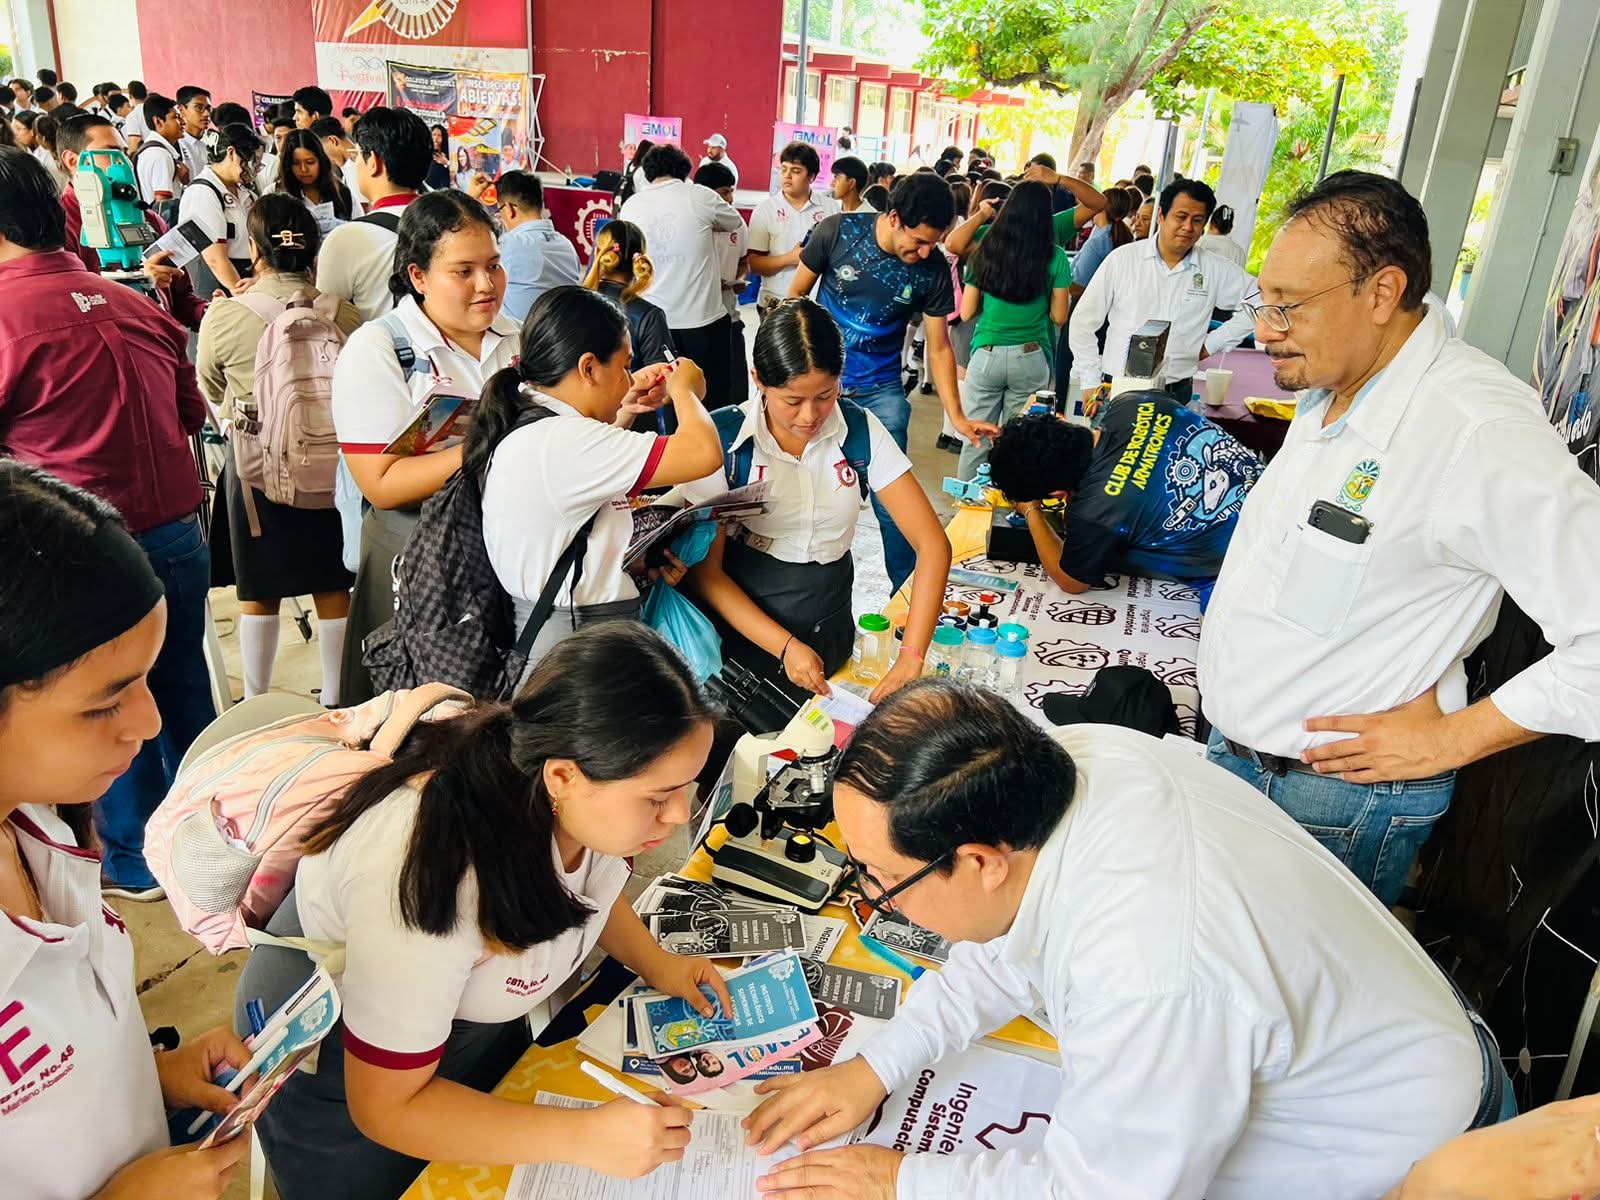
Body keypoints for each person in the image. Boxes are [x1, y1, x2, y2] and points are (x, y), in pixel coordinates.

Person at [743, 681, 1511, 1200]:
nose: (874, 902)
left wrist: (901, 1181)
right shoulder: (1078, 761)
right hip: (1391, 1037)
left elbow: (1104, 1193)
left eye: (881, 878)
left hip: (1415, 1163)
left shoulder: (1153, 973)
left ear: (978, 859)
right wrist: (876, 1066)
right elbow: (1002, 944)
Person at [1199, 169, 1600, 905]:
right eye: (1264, 302)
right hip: (1242, 762)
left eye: (1288, 308)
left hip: (1329, 807)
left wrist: (1453, 738)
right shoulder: (1338, 383)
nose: (1264, 330)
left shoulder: (1477, 430)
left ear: (1381, 294)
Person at [240, 624, 732, 1200]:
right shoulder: (433, 875)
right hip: (346, 1076)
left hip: (457, 1029)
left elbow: (587, 889)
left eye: (687, 788)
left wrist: (656, 962)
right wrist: (584, 1138)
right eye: (657, 797)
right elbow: (387, 1108)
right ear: (564, 777)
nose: (679, 816)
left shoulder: (576, 806)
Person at [0, 462, 255, 1200]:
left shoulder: (39, 825)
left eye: (146, 679)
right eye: (101, 705)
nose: (147, 726)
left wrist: (148, 1077)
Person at [0, 147, 215, 898]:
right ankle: (214, 840)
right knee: (184, 692)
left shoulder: (3, 319)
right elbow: (192, 415)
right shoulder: (131, 302)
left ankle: (131, 857)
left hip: (80, 567)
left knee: (100, 708)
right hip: (177, 537)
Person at [679, 298, 950, 703]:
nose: (810, 415)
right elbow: (707, 574)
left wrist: (911, 657)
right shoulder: (724, 441)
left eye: (825, 395)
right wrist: (785, 645)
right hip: (742, 632)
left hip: (830, 619)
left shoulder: (858, 429)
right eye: (792, 401)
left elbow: (933, 546)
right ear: (758, 380)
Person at [332, 189, 519, 704]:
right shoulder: (378, 350)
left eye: (494, 267)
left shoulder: (517, 341)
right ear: (418, 277)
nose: (487, 285)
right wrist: (490, 441)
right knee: (416, 711)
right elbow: (383, 483)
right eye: (464, 272)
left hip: (501, 550)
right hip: (413, 558)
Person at [478, 286, 723, 669]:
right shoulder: (562, 441)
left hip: (566, 630)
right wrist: (685, 390)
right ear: (588, 367)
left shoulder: (534, 422)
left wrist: (623, 410)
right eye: (624, 366)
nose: (629, 380)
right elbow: (703, 453)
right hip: (578, 642)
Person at [789, 173, 997, 591]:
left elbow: (938, 347)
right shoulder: (836, 233)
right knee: (803, 491)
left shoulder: (933, 270)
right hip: (819, 388)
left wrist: (956, 415)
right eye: (918, 241)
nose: (924, 252)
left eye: (933, 242)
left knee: (893, 501)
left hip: (881, 391)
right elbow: (795, 302)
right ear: (894, 217)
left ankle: (907, 593)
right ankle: (801, 587)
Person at [196, 194, 359, 702]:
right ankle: (336, 696)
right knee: (334, 585)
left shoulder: (225, 316)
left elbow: (211, 386)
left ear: (254, 249)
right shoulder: (347, 315)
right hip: (332, 468)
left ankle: (258, 700)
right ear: (313, 248)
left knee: (259, 591)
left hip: (256, 471)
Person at [988, 400, 1260, 604]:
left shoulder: (1096, 511)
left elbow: (1071, 581)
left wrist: (1031, 510)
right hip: (1275, 495)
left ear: (1058, 493)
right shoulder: (1131, 402)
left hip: (1250, 571)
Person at [1069, 178, 1253, 409]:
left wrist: (1214, 342)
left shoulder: (1215, 269)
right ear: (1161, 216)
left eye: (1197, 221)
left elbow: (1262, 301)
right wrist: (1089, 380)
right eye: (1181, 217)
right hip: (1120, 389)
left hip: (1176, 392)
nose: (1188, 227)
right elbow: (1082, 322)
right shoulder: (1123, 260)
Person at [947, 181, 1073, 478]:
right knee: (1016, 442)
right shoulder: (1055, 256)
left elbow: (965, 311)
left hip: (986, 354)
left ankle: (968, 514)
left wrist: (980, 214)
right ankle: (1005, 516)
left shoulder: (986, 250)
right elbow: (1058, 316)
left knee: (976, 438)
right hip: (1030, 357)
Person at [619, 142, 745, 409]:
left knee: (656, 397)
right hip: (702, 320)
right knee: (710, 396)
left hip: (650, 323)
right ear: (685, 170)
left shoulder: (631, 205)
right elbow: (734, 222)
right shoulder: (699, 196)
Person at [318, 105, 431, 322]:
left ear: (374, 162)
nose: (356, 162)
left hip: (376, 352)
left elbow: (326, 325)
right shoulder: (451, 223)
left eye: (359, 154)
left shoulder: (347, 239)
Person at [747, 140, 837, 322]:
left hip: (818, 304)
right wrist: (791, 258)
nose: (787, 176)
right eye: (783, 169)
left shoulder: (830, 208)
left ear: (811, 176)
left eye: (795, 171)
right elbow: (754, 264)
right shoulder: (765, 210)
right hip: (775, 303)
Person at [176, 122, 261, 298]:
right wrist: (241, 295)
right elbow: (215, 258)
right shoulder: (202, 193)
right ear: (231, 153)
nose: (254, 170)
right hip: (218, 283)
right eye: (252, 162)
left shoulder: (245, 192)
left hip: (247, 277)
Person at [581, 218, 675, 373]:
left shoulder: (571, 302)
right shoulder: (649, 316)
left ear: (598, 253)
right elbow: (662, 380)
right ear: (640, 259)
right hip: (628, 395)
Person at [494, 169, 582, 324]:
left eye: (499, 211)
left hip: (520, 340)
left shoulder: (508, 245)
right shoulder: (567, 245)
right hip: (562, 334)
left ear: (509, 209)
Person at [693, 159, 750, 398]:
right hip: (696, 320)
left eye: (731, 191)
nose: (730, 199)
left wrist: (738, 280)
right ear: (706, 195)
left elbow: (743, 262)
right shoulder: (692, 225)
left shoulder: (737, 224)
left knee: (733, 392)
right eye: (724, 192)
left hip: (729, 315)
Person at [276, 126, 352, 235]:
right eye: (296, 163)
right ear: (287, 165)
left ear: (321, 161)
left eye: (310, 162)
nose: (304, 169)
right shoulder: (275, 194)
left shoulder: (341, 193)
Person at [133, 93, 185, 208]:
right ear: (158, 121)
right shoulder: (161, 155)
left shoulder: (149, 150)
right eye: (176, 117)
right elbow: (164, 207)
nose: (183, 122)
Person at [310, 114, 364, 216]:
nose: (322, 158)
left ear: (333, 140)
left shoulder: (360, 165)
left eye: (321, 150)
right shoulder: (345, 169)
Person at [175, 85, 211, 183]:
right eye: (199, 108)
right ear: (181, 109)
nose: (206, 114)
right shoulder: (176, 145)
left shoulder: (214, 142)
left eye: (208, 108)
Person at [616, 137, 653, 207]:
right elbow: (645, 194)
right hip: (636, 205)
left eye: (634, 148)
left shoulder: (630, 166)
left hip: (626, 203)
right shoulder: (642, 171)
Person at [120, 79, 147, 151]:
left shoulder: (132, 116)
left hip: (146, 153)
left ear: (130, 96)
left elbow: (134, 142)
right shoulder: (154, 109)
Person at [425, 123, 450, 190]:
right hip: (427, 191)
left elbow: (456, 171)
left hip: (444, 191)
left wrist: (446, 163)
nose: (436, 138)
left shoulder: (449, 153)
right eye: (434, 135)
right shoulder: (426, 152)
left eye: (439, 135)